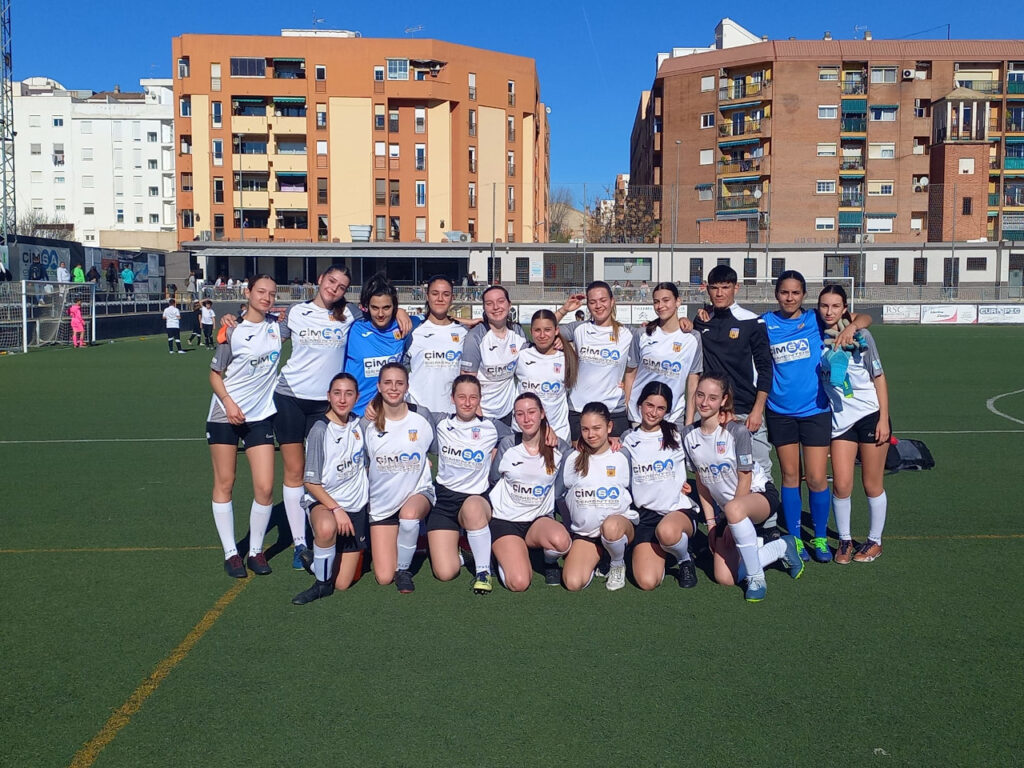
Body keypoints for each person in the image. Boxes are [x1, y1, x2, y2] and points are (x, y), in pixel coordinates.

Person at [763, 270, 870, 563]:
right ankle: (796, 540)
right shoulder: (766, 324)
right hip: (779, 412)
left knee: (816, 478)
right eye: (784, 292)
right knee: (789, 476)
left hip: (815, 410)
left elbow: (864, 318)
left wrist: (851, 328)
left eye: (795, 293)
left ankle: (820, 537)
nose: (789, 297)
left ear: (803, 296)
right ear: (776, 294)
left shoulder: (814, 319)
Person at [681, 373, 804, 602]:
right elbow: (702, 482)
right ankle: (781, 548)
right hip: (729, 510)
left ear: (724, 400)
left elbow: (745, 478)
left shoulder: (736, 430)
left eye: (712, 397)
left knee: (735, 509)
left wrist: (728, 520)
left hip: (758, 496)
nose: (705, 403)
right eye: (700, 395)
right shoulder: (688, 435)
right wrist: (712, 525)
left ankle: (757, 578)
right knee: (725, 577)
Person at [206, 275, 281, 578]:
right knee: (226, 482)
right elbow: (215, 374)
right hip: (225, 414)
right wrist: (229, 403)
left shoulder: (279, 327)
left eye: (272, 294)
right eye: (261, 292)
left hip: (260, 415)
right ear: (248, 293)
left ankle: (255, 551)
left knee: (264, 487)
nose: (267, 297)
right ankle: (230, 553)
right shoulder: (232, 331)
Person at [818, 285, 889, 564]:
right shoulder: (817, 335)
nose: (829, 311)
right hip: (840, 421)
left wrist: (883, 418)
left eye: (836, 306)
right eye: (824, 305)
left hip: (870, 416)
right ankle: (845, 541)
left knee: (871, 484)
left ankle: (875, 541)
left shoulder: (862, 336)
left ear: (845, 307)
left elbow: (879, 378)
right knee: (842, 485)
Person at [421, 375, 511, 594]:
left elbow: (522, 436)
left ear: (480, 399)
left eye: (473, 397)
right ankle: (464, 552)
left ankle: (483, 572)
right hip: (444, 500)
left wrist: (548, 431)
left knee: (472, 508)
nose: (467, 402)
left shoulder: (491, 427)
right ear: (452, 398)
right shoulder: (441, 421)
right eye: (461, 397)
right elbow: (411, 410)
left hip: (476, 499)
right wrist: (374, 408)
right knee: (445, 573)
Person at [291, 373, 369, 605]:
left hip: (356, 508)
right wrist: (336, 509)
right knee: (326, 529)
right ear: (328, 396)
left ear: (357, 397)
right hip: (326, 503)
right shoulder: (319, 430)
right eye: (337, 393)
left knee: (343, 583)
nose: (342, 399)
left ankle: (316, 561)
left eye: (348, 394)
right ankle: (320, 585)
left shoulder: (360, 424)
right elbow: (310, 482)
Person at [692, 265, 774, 474]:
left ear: (736, 287)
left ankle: (767, 508)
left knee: (759, 471)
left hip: (745, 410)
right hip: (713, 411)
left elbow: (765, 369)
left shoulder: (752, 322)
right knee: (715, 471)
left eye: (725, 287)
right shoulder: (701, 321)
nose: (719, 293)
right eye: (714, 288)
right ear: (707, 289)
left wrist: (757, 410)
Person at [362, 363, 435, 593]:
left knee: (410, 515)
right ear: (379, 386)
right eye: (388, 383)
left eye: (399, 383)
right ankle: (405, 542)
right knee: (384, 577)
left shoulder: (421, 415)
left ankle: (404, 571)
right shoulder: (367, 424)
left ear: (407, 386)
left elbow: (440, 444)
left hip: (417, 494)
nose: (394, 388)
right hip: (382, 505)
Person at [619, 382, 700, 590]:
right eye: (649, 405)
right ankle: (662, 550)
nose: (653, 413)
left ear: (667, 411)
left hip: (676, 511)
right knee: (647, 582)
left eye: (660, 408)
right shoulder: (628, 439)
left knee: (667, 531)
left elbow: (704, 458)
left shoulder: (678, 434)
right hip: (645, 516)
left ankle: (684, 559)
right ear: (640, 404)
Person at [489, 393, 572, 591]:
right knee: (519, 583)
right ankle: (500, 554)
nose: (526, 419)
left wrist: (613, 444)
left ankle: (548, 561)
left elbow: (585, 453)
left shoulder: (559, 446)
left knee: (562, 542)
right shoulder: (508, 444)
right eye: (520, 414)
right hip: (506, 521)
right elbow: (494, 479)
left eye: (532, 412)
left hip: (538, 520)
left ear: (542, 414)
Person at [561, 401, 638, 592]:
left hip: (617, 527)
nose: (591, 434)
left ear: (609, 427)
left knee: (611, 527)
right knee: (572, 582)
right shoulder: (572, 459)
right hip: (586, 534)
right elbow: (561, 497)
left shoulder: (622, 455)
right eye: (585, 429)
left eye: (597, 428)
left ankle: (617, 562)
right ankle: (601, 554)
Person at [555, 281, 638, 439]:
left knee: (612, 462)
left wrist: (684, 322)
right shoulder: (579, 329)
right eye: (592, 302)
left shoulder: (628, 333)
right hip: (579, 409)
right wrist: (564, 309)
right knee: (580, 462)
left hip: (613, 410)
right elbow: (544, 327)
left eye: (603, 300)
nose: (598, 306)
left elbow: (654, 346)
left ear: (612, 301)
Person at [625, 282, 702, 430]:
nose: (660, 306)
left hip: (673, 416)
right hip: (640, 415)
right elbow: (630, 374)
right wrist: (628, 408)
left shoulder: (693, 338)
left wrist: (689, 422)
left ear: (678, 301)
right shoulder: (642, 334)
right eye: (656, 301)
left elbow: (693, 383)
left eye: (666, 300)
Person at [344, 273, 419, 417]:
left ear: (394, 307)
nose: (380, 314)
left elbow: (437, 320)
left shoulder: (404, 325)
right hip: (354, 413)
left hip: (388, 414)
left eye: (386, 307)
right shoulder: (353, 327)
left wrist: (463, 323)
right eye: (374, 308)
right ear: (367, 307)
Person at [461, 285, 527, 424]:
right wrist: (477, 412)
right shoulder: (475, 337)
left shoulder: (517, 331)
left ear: (509, 305)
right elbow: (467, 380)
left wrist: (558, 341)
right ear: (484, 308)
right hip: (482, 412)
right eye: (489, 303)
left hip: (509, 411)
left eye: (501, 301)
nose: (496, 307)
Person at [406, 275, 469, 413]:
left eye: (446, 294)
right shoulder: (414, 329)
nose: (440, 299)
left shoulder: (463, 331)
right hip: (418, 410)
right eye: (435, 294)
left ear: (452, 298)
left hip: (451, 412)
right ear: (427, 296)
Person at [514, 309, 578, 441]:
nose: (542, 335)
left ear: (556, 331)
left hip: (558, 432)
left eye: (547, 330)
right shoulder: (521, 354)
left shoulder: (567, 357)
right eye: (537, 330)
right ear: (531, 332)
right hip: (524, 431)